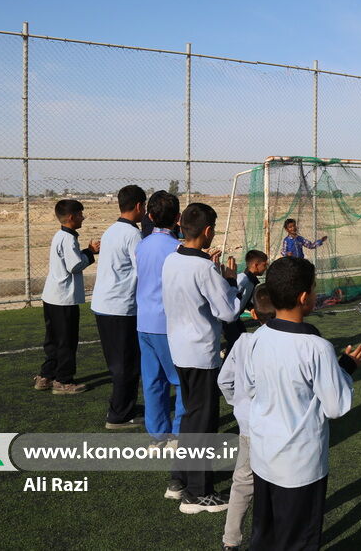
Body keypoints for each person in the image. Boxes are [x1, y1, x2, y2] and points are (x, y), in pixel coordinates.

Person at [243, 257, 361, 549]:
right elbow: (336, 406)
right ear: (303, 298)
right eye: (313, 288)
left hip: (263, 456)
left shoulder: (257, 337)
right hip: (299, 465)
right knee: (298, 541)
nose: (315, 293)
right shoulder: (317, 348)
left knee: (265, 534)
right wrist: (346, 368)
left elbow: (250, 387)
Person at [162, 202, 242, 514]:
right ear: (207, 231)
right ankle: (198, 494)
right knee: (203, 423)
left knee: (191, 416)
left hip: (179, 348)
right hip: (200, 353)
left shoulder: (172, 259)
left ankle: (179, 479)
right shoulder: (205, 268)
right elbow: (228, 312)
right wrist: (231, 281)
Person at [135, 191, 185, 497]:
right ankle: (178, 435)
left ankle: (157, 436)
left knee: (153, 380)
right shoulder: (176, 248)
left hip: (144, 322)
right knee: (181, 380)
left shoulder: (142, 244)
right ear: (177, 218)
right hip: (167, 323)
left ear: (150, 216)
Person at [218, 283, 276, 551]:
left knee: (242, 483)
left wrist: (239, 404)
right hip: (276, 427)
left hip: (248, 427)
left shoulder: (243, 342)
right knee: (279, 485)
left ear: (253, 313)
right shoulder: (285, 343)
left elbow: (224, 381)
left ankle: (231, 540)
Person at [90, 185, 146, 429]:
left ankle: (122, 405)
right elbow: (141, 269)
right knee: (126, 363)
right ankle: (119, 415)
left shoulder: (111, 230)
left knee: (118, 362)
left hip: (104, 304)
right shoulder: (133, 235)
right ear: (139, 206)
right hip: (120, 306)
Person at [33, 199, 99, 395]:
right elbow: (74, 265)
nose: (83, 218)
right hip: (64, 298)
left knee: (53, 340)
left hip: (52, 296)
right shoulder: (69, 239)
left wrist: (85, 252)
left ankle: (46, 375)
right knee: (67, 341)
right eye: (80, 214)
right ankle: (63, 380)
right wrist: (90, 252)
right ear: (71, 217)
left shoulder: (60, 235)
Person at [223, 249, 268, 357]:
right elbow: (230, 296)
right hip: (228, 319)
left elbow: (244, 297)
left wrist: (251, 307)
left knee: (241, 338)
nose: (266, 268)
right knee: (236, 342)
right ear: (256, 265)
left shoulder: (251, 281)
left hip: (235, 318)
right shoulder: (242, 279)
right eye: (264, 265)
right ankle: (228, 361)